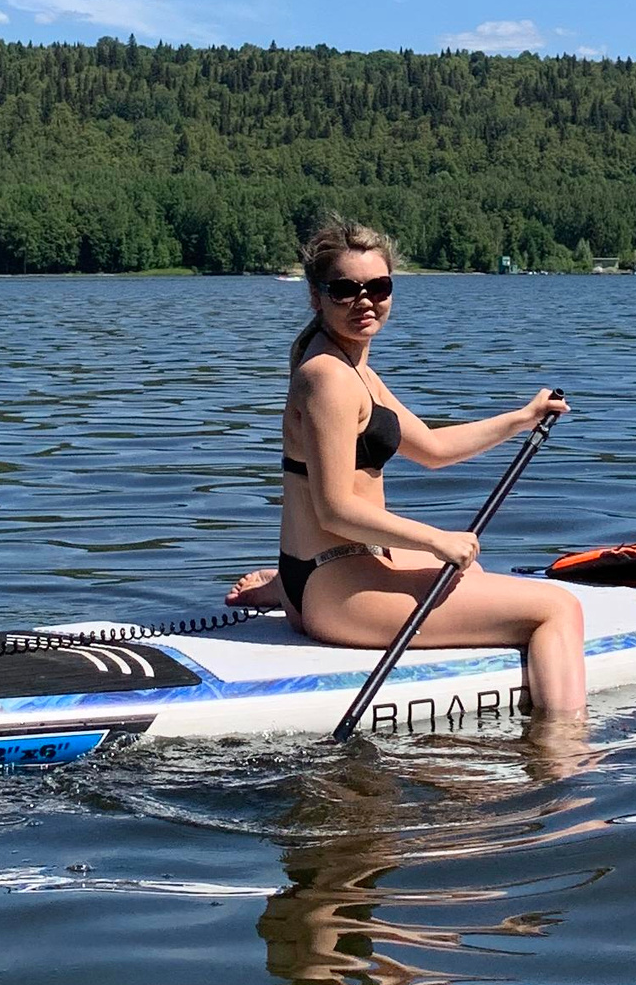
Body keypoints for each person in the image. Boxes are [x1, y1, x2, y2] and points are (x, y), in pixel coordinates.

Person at [229, 218, 586, 714]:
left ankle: (282, 587)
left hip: (320, 572)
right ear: (316, 297)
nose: (364, 300)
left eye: (378, 287)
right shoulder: (327, 379)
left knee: (470, 569)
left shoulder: (354, 369)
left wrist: (522, 419)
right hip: (338, 592)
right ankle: (561, 755)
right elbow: (334, 510)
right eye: (344, 289)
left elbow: (433, 450)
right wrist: (436, 538)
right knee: (557, 609)